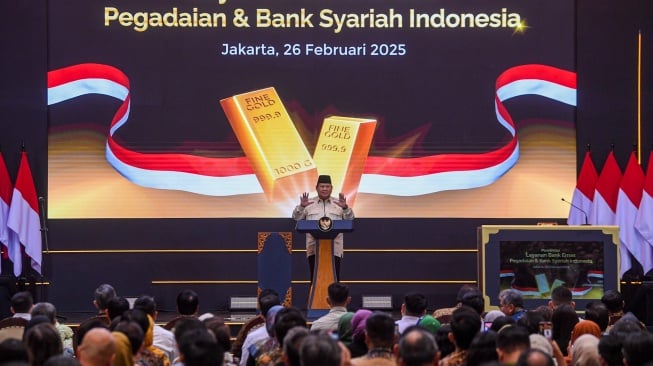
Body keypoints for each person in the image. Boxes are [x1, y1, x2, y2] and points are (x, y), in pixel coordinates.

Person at [292, 175, 354, 281]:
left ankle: (334, 298)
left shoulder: (339, 203)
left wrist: (345, 208)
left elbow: (350, 219)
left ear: (331, 188)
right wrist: (302, 206)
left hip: (334, 248)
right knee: (315, 278)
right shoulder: (308, 203)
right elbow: (296, 218)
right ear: (316, 188)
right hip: (314, 248)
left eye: (327, 186)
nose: (324, 189)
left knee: (334, 279)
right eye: (322, 186)